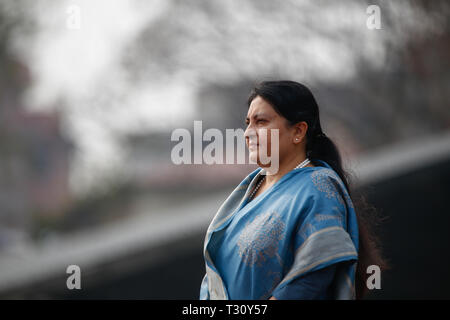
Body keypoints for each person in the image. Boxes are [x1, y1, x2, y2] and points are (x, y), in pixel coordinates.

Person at [200, 80, 388, 300]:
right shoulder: (250, 189)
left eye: (261, 122)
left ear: (298, 131)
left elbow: (311, 276)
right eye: (247, 123)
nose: (248, 133)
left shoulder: (317, 188)